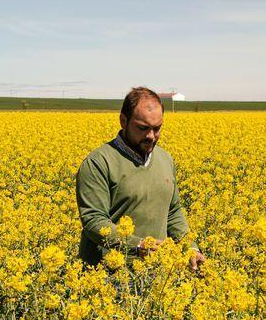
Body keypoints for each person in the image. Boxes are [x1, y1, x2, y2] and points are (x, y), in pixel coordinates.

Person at [75, 87, 206, 272]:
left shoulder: (165, 159)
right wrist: (138, 246)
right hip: (107, 278)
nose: (151, 136)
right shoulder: (98, 163)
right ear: (123, 121)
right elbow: (94, 220)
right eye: (143, 128)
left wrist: (190, 247)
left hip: (157, 275)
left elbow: (173, 211)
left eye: (157, 128)